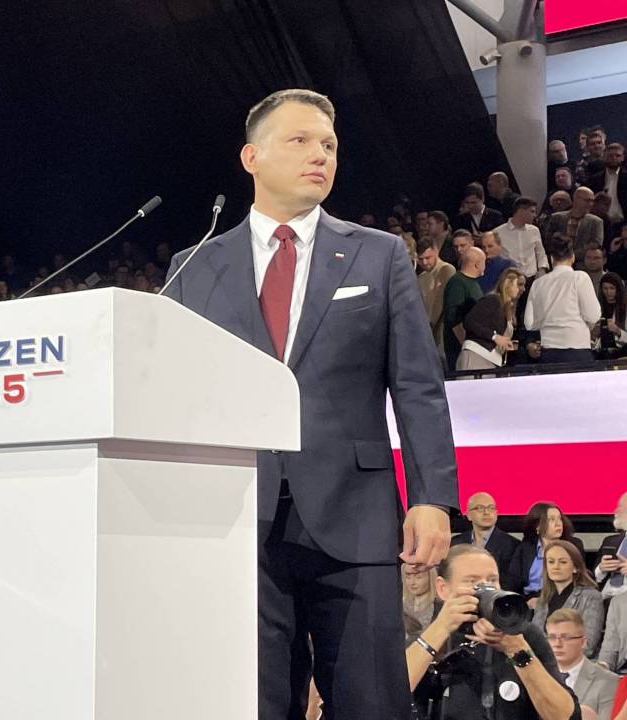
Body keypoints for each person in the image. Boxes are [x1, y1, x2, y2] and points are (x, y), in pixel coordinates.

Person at [164, 88, 457, 719]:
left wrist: (432, 497)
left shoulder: (378, 253)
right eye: (299, 141)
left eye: (328, 144)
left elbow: (417, 385)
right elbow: (177, 398)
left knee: (370, 702)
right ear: (252, 157)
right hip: (237, 521)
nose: (319, 155)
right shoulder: (193, 268)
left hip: (355, 517)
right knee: (255, 704)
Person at [407, 544, 576, 720]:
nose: (486, 589)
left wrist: (518, 650)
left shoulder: (524, 634)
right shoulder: (428, 636)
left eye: (492, 580)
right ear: (443, 588)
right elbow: (392, 695)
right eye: (472, 582)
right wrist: (440, 629)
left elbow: (565, 716)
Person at [525, 236, 602, 364]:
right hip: (577, 351)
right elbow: (593, 315)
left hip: (548, 352)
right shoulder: (580, 278)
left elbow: (529, 323)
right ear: (573, 257)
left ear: (551, 259)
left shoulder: (538, 283)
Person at [532, 540, 604, 657]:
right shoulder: (543, 599)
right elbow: (534, 640)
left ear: (576, 567)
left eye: (563, 562)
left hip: (574, 663)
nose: (555, 567)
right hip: (543, 662)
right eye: (551, 562)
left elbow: (588, 646)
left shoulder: (591, 597)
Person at [510, 502, 585, 602]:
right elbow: (512, 581)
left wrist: (543, 601)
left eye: (559, 519)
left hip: (562, 599)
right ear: (537, 526)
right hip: (529, 600)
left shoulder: (573, 545)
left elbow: (581, 578)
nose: (558, 523)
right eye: (551, 519)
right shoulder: (525, 548)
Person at [456, 267, 525, 371]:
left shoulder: (508, 308)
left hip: (492, 360)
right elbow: (469, 321)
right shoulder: (493, 300)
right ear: (508, 283)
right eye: (520, 284)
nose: (523, 289)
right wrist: (494, 337)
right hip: (476, 356)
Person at [451, 491, 520, 591]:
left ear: (496, 513)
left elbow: (512, 584)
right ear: (469, 515)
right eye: (480, 508)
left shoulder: (513, 545)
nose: (486, 512)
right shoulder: (455, 543)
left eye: (491, 508)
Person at [443, 245, 486, 370]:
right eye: (484, 262)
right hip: (460, 349)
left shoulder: (473, 283)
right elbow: (454, 318)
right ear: (477, 264)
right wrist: (466, 346)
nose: (485, 266)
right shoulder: (457, 283)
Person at [416, 238, 456, 349]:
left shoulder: (447, 270)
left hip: (442, 330)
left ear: (436, 252)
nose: (424, 262)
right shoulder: (421, 277)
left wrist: (431, 327)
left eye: (428, 258)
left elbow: (441, 302)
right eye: (421, 259)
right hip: (427, 330)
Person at [548, 187, 604, 266]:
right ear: (576, 199)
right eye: (587, 200)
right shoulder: (557, 218)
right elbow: (549, 240)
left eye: (592, 201)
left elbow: (596, 244)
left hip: (583, 265)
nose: (590, 204)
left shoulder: (596, 222)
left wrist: (571, 256)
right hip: (558, 263)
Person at [588, 143, 626, 231]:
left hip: (623, 225)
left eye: (618, 155)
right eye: (610, 156)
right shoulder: (595, 179)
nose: (614, 158)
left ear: (623, 157)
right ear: (604, 156)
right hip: (600, 224)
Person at [596, 492, 627, 600]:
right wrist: (601, 569)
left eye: (620, 507)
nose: (616, 511)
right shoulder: (610, 541)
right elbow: (589, 578)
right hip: (604, 598)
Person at [402, 563, 437, 643]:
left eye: (418, 577)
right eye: (408, 577)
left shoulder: (438, 607)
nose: (412, 583)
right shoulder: (401, 606)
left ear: (430, 578)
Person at [596, 272, 627, 357]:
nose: (608, 292)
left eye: (612, 288)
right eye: (605, 288)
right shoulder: (598, 307)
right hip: (602, 353)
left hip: (622, 353)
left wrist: (618, 331)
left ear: (618, 289)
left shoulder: (624, 308)